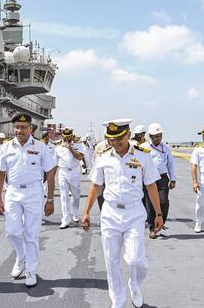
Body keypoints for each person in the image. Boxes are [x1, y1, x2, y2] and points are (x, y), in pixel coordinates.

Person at [82, 118, 163, 308]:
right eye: (111, 139)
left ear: (128, 135)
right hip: (110, 213)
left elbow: (151, 186)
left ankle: (134, 285)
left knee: (135, 260)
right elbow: (95, 186)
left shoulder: (143, 156)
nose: (115, 143)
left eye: (119, 138)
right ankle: (117, 299)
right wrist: (86, 212)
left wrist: (158, 214)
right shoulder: (103, 157)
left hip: (134, 212)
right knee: (112, 260)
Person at [0, 113, 56, 287]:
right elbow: (0, 174)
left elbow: (50, 174)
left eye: (23, 127)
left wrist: (50, 199)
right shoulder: (6, 147)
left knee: (31, 233)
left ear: (30, 128)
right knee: (12, 231)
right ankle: (21, 256)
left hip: (34, 193)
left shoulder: (40, 147)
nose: (19, 130)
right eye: (16, 127)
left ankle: (31, 269)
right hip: (12, 192)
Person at [143, 122, 176, 239]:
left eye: (160, 135)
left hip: (162, 178)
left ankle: (161, 222)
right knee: (150, 204)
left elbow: (171, 164)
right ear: (150, 136)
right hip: (148, 179)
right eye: (156, 136)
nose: (159, 138)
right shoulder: (144, 148)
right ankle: (152, 228)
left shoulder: (165, 148)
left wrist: (173, 179)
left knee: (163, 202)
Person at [54, 127, 85, 229]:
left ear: (72, 135)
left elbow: (80, 157)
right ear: (62, 136)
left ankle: (75, 214)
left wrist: (70, 147)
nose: (67, 138)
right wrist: (51, 177)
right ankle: (66, 219)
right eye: (65, 136)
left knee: (76, 195)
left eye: (69, 136)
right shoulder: (57, 148)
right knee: (64, 196)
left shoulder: (78, 145)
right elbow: (55, 163)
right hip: (63, 172)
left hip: (74, 172)